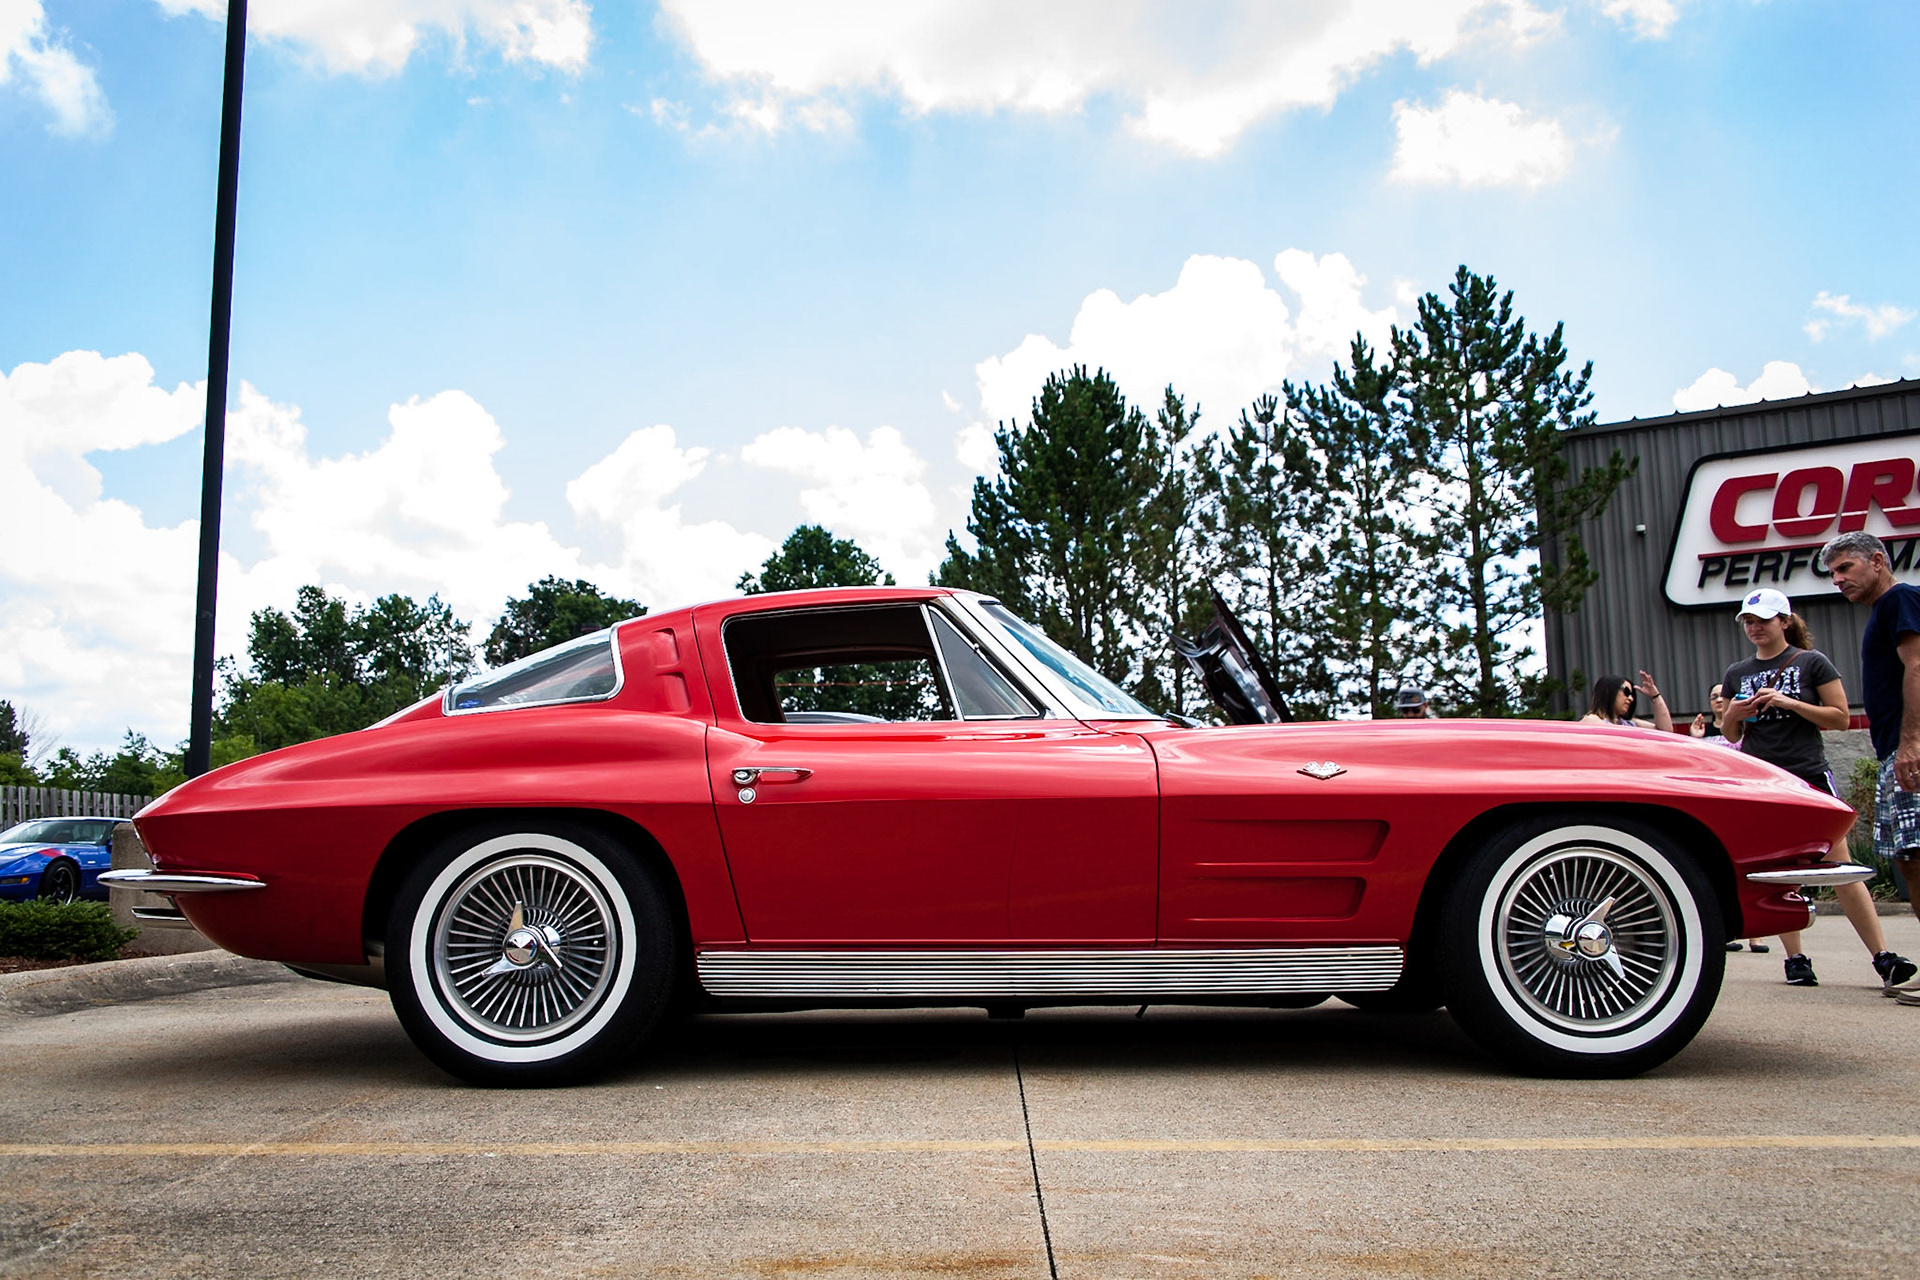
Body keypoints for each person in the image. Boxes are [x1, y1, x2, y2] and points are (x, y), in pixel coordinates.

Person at [1718, 587, 1909, 986]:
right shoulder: (1737, 672)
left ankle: (1882, 956)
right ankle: (1796, 959)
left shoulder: (1812, 662)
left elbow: (1840, 718)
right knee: (1774, 869)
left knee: (1838, 865)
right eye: (1748, 621)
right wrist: (1733, 713)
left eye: (1763, 620)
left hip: (1808, 775)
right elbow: (1731, 732)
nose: (1754, 628)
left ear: (1784, 621)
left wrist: (1791, 704)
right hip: (1760, 781)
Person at [1821, 532, 1920, 1002]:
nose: (1838, 579)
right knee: (1909, 858)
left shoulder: (1901, 599)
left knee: (1916, 857)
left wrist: (1911, 742)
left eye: (1845, 568)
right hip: (1893, 752)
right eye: (1834, 573)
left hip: (1911, 751)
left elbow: (1918, 666)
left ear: (1877, 561)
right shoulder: (1885, 611)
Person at [1580, 672, 1672, 731]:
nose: (1630, 698)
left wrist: (1655, 696)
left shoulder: (1630, 723)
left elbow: (1665, 732)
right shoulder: (1591, 720)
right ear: (1609, 692)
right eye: (1626, 692)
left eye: (1632, 694)